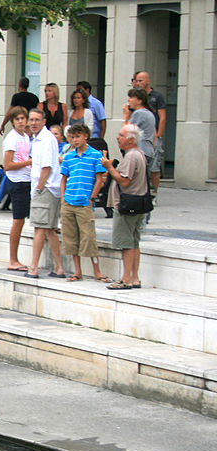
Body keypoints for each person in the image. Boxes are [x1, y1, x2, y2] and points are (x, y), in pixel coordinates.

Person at [59, 124, 111, 283]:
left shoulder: (95, 155)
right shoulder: (68, 157)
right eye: (72, 137)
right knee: (71, 237)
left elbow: (100, 180)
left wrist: (91, 198)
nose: (75, 140)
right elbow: (63, 179)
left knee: (88, 237)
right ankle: (77, 271)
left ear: (86, 136)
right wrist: (63, 198)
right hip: (69, 200)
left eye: (78, 136)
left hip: (85, 203)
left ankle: (97, 271)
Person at [102, 123, 149, 290]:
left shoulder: (131, 157)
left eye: (121, 135)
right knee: (134, 242)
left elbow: (124, 180)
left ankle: (126, 279)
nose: (117, 138)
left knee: (126, 243)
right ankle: (134, 278)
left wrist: (110, 168)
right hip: (138, 204)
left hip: (127, 204)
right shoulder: (139, 154)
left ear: (130, 139)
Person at [25, 108, 66, 279]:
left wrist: (39, 189)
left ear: (43, 121)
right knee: (49, 229)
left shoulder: (47, 139)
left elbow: (46, 167)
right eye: (31, 120)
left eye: (37, 120)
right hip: (44, 187)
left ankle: (33, 267)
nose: (33, 123)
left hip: (46, 188)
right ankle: (59, 267)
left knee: (40, 228)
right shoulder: (36, 139)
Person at [0, 107, 33, 272]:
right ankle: (13, 259)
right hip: (17, 182)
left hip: (27, 180)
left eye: (23, 118)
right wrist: (28, 163)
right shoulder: (12, 139)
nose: (21, 121)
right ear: (12, 121)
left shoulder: (25, 137)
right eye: (17, 119)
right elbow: (8, 165)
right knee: (17, 221)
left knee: (22, 220)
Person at [130, 70, 166, 197]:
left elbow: (162, 117)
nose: (138, 83)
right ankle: (144, 192)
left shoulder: (157, 96)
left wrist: (158, 135)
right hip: (139, 139)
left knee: (154, 168)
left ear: (148, 81)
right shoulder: (135, 98)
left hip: (152, 136)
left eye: (141, 80)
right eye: (136, 80)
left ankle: (153, 193)